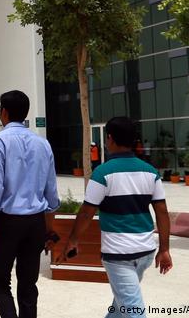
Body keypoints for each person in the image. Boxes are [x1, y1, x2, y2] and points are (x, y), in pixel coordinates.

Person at [55, 116, 172, 318]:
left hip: (119, 254)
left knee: (133, 311)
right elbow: (162, 213)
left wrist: (72, 240)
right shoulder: (151, 172)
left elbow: (86, 212)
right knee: (121, 306)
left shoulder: (102, 173)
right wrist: (164, 249)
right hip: (146, 251)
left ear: (109, 139)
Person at [0, 90, 60, 318]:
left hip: (6, 223)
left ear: (3, 112)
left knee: (0, 282)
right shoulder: (42, 143)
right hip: (35, 223)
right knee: (28, 284)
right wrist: (50, 229)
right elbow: (51, 193)